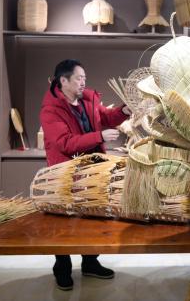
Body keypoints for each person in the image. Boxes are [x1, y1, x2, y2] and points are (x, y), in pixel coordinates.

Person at [40, 59, 130, 291]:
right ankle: (62, 268)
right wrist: (99, 136)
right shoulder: (51, 110)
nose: (83, 82)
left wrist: (123, 111)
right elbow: (65, 143)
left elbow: (106, 118)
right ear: (63, 80)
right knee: (64, 222)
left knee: (92, 218)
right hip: (65, 171)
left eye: (84, 78)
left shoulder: (88, 100)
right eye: (79, 78)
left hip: (94, 169)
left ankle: (90, 262)